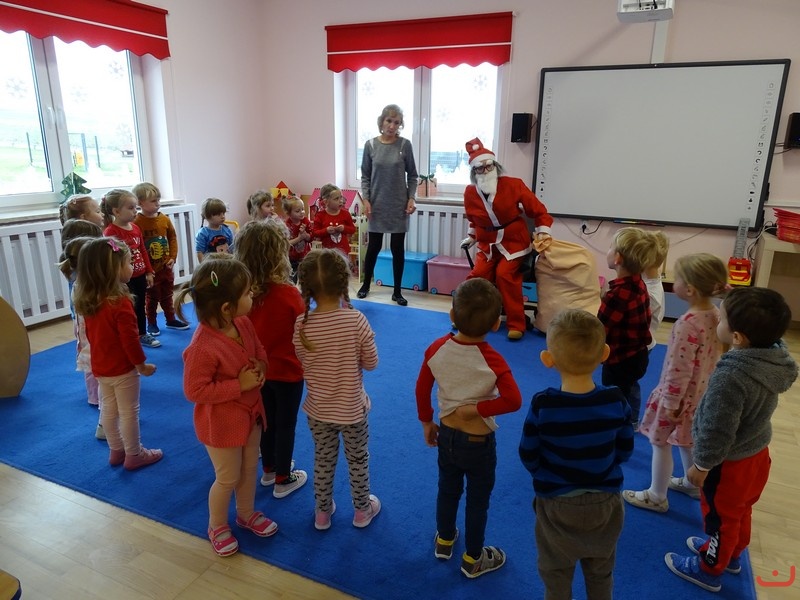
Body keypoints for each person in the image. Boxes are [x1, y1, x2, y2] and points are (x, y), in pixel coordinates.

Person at [664, 287, 798, 593]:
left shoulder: (730, 377)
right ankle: (732, 553)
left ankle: (709, 569)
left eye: (721, 318)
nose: (717, 321)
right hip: (756, 454)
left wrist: (702, 465)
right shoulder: (773, 357)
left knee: (721, 518)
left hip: (728, 464)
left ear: (737, 337)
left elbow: (718, 429)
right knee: (741, 510)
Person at [519, 308, 634, 600]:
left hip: (556, 501)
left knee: (555, 571)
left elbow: (529, 452)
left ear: (548, 359)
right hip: (606, 500)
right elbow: (625, 449)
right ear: (604, 353)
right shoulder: (615, 400)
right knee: (601, 570)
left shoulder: (544, 404)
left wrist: (544, 474)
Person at [415, 278, 522, 579]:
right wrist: (477, 409)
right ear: (496, 324)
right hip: (479, 443)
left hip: (447, 436)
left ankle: (445, 540)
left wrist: (427, 421)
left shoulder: (437, 348)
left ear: (452, 315)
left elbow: (422, 388)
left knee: (447, 490)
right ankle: (474, 558)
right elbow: (513, 400)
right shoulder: (493, 359)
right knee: (477, 501)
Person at [178, 257, 278, 557]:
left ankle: (245, 514)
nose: (253, 294)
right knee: (227, 478)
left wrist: (261, 365)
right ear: (226, 307)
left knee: (249, 469)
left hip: (251, 415)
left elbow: (258, 349)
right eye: (247, 292)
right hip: (221, 425)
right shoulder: (202, 347)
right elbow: (194, 390)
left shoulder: (242, 322)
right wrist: (240, 385)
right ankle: (217, 525)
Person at [623, 253, 728, 513]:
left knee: (660, 443)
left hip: (678, 397)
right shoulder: (715, 314)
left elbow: (678, 369)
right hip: (701, 393)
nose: (674, 281)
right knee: (687, 439)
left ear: (689, 289)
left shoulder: (687, 324)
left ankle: (656, 495)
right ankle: (693, 485)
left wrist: (670, 402)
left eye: (677, 278)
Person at [293, 249, 380, 530]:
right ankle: (362, 510)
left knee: (323, 458)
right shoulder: (356, 320)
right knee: (358, 459)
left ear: (306, 286)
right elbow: (372, 363)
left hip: (318, 411)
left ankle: (322, 512)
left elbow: (302, 360)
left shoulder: (302, 324)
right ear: (344, 282)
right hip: (352, 409)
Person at [73, 237, 163, 471]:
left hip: (101, 367)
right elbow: (130, 341)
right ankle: (135, 454)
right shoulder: (120, 303)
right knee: (129, 412)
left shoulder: (88, 300)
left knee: (109, 410)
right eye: (128, 262)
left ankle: (116, 451)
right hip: (122, 368)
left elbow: (91, 336)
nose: (132, 267)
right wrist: (141, 365)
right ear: (114, 269)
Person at [234, 219, 308, 499]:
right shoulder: (289, 294)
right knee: (286, 424)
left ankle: (269, 469)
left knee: (265, 421)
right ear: (279, 255)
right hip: (288, 371)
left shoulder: (243, 295)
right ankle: (283, 479)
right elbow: (303, 331)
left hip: (256, 372)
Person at [461, 137, 553, 340]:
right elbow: (473, 219)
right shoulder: (470, 192)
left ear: (495, 166)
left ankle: (516, 323)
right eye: (480, 168)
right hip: (487, 244)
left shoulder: (513, 185)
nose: (485, 171)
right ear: (474, 172)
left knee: (504, 275)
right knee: (477, 277)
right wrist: (472, 237)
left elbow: (539, 211)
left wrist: (543, 231)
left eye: (489, 166)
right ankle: (468, 318)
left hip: (514, 242)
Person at [598, 227, 660, 428]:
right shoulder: (639, 284)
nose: (607, 250)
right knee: (630, 386)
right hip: (638, 354)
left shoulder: (617, 294)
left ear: (618, 258)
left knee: (614, 393)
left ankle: (616, 425)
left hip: (619, 358)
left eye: (610, 247)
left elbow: (600, 329)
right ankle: (632, 420)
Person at [357, 104, 419, 306]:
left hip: (399, 206)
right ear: (382, 121)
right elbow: (365, 176)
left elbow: (413, 176)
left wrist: (411, 198)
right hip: (376, 205)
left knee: (397, 249)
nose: (392, 126)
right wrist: (366, 200)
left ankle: (397, 291)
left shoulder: (404, 145)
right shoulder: (370, 145)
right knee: (373, 247)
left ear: (400, 125)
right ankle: (366, 285)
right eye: (389, 121)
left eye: (396, 122)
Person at [58, 220, 104, 439]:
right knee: (95, 363)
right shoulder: (88, 284)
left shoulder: (79, 279)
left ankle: (94, 397)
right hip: (90, 329)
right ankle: (100, 401)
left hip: (84, 328)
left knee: (90, 362)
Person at [101, 189, 160, 349]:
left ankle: (141, 333)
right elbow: (112, 258)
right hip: (124, 279)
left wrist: (149, 271)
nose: (135, 211)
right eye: (131, 208)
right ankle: (127, 334)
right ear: (116, 211)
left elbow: (143, 250)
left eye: (136, 207)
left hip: (139, 275)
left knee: (140, 305)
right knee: (126, 308)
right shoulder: (110, 232)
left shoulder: (135, 228)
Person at [133, 182, 190, 336]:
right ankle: (151, 323)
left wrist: (172, 257)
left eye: (158, 200)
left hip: (166, 268)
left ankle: (170, 319)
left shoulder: (164, 219)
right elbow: (138, 247)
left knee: (167, 295)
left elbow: (172, 237)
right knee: (151, 298)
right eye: (153, 201)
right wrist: (146, 270)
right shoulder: (136, 223)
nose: (157, 203)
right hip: (150, 271)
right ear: (140, 203)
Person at [629, 231, 670, 417]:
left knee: (630, 383)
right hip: (641, 342)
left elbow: (634, 322)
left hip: (640, 345)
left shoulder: (649, 294)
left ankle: (632, 418)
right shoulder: (649, 282)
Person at [311, 183, 356, 258]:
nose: (341, 201)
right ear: (326, 202)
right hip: (328, 253)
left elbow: (353, 229)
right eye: (336, 199)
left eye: (341, 198)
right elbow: (315, 232)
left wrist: (344, 228)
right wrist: (326, 230)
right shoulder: (320, 215)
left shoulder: (346, 214)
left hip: (344, 252)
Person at [283, 194, 312, 276]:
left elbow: (311, 238)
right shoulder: (287, 225)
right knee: (293, 276)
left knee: (305, 275)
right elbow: (286, 244)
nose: (302, 212)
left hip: (305, 255)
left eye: (302, 209)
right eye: (297, 211)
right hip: (291, 258)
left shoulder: (305, 221)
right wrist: (299, 238)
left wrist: (305, 235)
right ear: (288, 213)